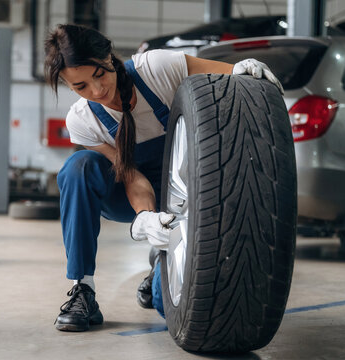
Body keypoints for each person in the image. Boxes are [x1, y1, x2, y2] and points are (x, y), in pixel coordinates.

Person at [44, 24, 283, 332]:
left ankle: (159, 262)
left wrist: (244, 73)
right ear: (68, 85)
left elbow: (223, 77)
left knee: (160, 300)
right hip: (130, 192)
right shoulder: (82, 120)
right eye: (81, 87)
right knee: (79, 167)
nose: (97, 90)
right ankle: (83, 290)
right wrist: (145, 216)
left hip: (192, 189)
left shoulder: (156, 69)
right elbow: (129, 173)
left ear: (108, 56)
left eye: (100, 74)